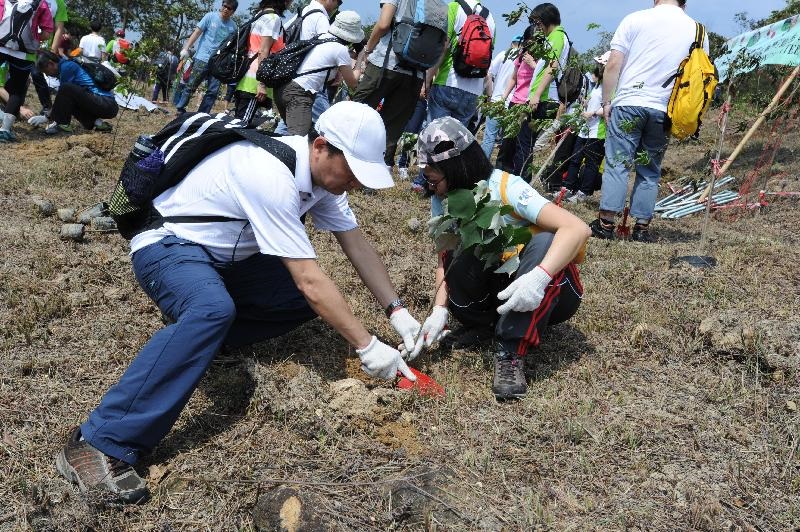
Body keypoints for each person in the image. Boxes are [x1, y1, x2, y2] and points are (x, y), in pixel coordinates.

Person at [55, 101, 423, 504]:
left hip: (228, 259)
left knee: (300, 303)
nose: (356, 184)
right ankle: (100, 441)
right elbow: (309, 279)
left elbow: (356, 245)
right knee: (215, 309)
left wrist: (397, 310)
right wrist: (368, 347)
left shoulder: (323, 182)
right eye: (352, 172)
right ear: (320, 147)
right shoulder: (267, 172)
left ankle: (203, 341)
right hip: (168, 247)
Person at [410, 117, 589, 400]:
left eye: (434, 179)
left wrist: (538, 278)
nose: (431, 188)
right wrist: (439, 311)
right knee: (456, 252)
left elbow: (577, 228)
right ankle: (484, 324)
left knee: (545, 239)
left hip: (550, 288)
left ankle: (511, 351)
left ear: (455, 168)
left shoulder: (506, 186)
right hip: (498, 286)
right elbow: (444, 260)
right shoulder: (445, 200)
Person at [591, 0, 708, 242]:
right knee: (650, 170)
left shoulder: (635, 19)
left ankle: (606, 224)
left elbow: (613, 64)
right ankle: (641, 228)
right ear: (684, 2)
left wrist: (605, 102)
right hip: (664, 111)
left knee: (618, 163)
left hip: (629, 104)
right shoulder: (698, 30)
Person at [351, 0, 427, 168]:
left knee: (357, 113)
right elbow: (442, 45)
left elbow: (384, 24)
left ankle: (345, 161)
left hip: (386, 63)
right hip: (416, 73)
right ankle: (375, 175)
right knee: (391, 128)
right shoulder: (437, 3)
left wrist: (367, 49)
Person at [274, 11, 362, 135]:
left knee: (286, 135)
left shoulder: (321, 37)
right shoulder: (340, 49)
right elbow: (353, 82)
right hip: (299, 93)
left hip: (283, 88)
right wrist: (361, 57)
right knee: (298, 142)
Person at [425, 0, 495, 126]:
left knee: (435, 137)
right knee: (456, 141)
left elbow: (443, 46)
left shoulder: (454, 8)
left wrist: (427, 79)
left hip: (448, 83)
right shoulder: (490, 18)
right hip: (474, 92)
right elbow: (487, 57)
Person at [0, 0, 53, 142]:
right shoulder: (41, 3)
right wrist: (33, 38)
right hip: (24, 53)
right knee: (17, 90)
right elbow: (47, 33)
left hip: (0, 45)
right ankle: (4, 130)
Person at [175, 0, 238, 114]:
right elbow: (197, 32)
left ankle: (202, 113)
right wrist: (186, 48)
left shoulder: (233, 27)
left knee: (213, 91)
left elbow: (231, 47)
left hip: (218, 63)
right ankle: (180, 108)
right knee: (191, 85)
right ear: (221, 5)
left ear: (233, 11)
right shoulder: (210, 17)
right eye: (225, 6)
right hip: (202, 58)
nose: (226, 9)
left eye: (229, 8)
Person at [35, 50, 118, 134]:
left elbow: (62, 95)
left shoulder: (66, 67)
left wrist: (47, 117)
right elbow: (65, 101)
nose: (48, 75)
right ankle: (100, 124)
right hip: (104, 103)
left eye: (46, 71)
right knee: (70, 99)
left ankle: (62, 125)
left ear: (51, 64)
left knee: (66, 89)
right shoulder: (65, 66)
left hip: (106, 103)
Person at [233, 0, 285, 125]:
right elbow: (263, 50)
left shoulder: (259, 16)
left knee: (237, 122)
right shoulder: (273, 18)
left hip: (246, 76)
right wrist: (262, 83)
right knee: (242, 127)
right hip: (255, 82)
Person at [564, 54, 608, 203]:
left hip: (597, 131)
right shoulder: (597, 85)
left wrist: (593, 113)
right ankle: (568, 187)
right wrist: (583, 103)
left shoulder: (611, 87)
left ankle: (583, 192)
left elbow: (609, 107)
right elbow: (591, 101)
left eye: (601, 65)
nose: (598, 67)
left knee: (591, 163)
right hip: (585, 129)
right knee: (575, 158)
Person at [495, 26, 537, 176]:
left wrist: (534, 64)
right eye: (530, 41)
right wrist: (503, 98)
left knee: (523, 145)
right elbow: (514, 78)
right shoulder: (521, 56)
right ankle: (500, 175)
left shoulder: (543, 59)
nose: (532, 45)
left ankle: (520, 178)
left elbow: (545, 78)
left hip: (529, 105)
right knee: (507, 142)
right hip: (515, 103)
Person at [481, 35, 521, 159]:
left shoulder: (503, 54)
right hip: (513, 103)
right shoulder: (524, 58)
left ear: (512, 43)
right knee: (506, 141)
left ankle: (482, 169)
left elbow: (489, 74)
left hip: (497, 100)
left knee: (489, 138)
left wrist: (490, 94)